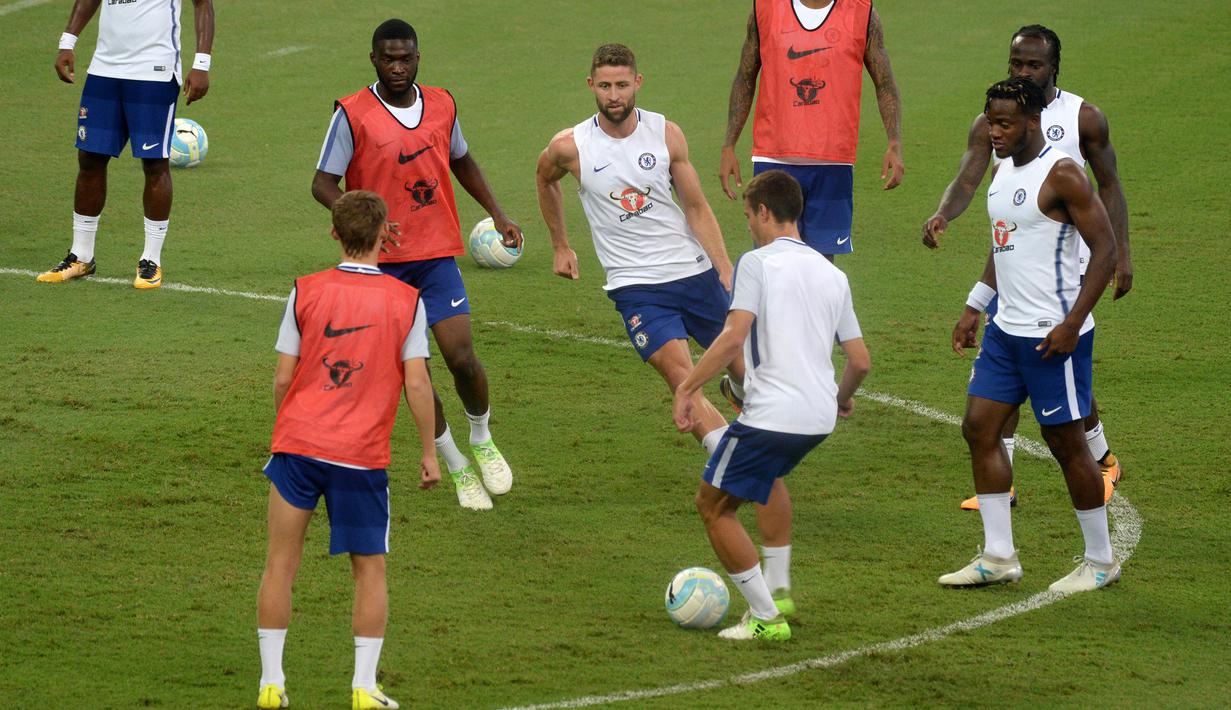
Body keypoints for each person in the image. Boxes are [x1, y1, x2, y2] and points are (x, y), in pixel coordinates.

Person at [312, 19, 520, 511]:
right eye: (389, 58)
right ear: (374, 60)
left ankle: (482, 438)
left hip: (435, 256)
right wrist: (367, 221)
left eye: (406, 58)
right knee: (416, 374)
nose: (398, 67)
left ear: (418, 58)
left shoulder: (442, 104)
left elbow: (461, 160)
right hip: (380, 267)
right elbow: (322, 183)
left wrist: (498, 212)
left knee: (463, 358)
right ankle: (456, 466)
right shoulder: (353, 113)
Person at [923, 25, 1131, 511]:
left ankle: (1099, 461)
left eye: (1033, 65)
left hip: (1073, 261)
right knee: (1022, 365)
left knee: (1056, 369)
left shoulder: (1083, 117)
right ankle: (1010, 481)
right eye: (1016, 64)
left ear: (1054, 67)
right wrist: (943, 215)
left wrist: (1122, 253)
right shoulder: (997, 119)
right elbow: (968, 177)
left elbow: (1110, 186)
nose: (1023, 72)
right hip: (1018, 252)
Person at [937, 78, 1122, 594]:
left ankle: (1101, 560)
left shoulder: (1063, 174)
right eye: (990, 121)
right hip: (1006, 331)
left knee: (1066, 445)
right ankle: (998, 555)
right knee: (979, 427)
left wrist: (1072, 322)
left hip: (1052, 336)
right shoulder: (1001, 174)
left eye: (1004, 123)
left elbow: (1104, 250)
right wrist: (975, 306)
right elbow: (1005, 247)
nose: (993, 132)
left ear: (1034, 122)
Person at [255, 191, 439, 710]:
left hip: (297, 448)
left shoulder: (304, 290)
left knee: (279, 565)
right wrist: (428, 452)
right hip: (359, 458)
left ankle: (272, 684)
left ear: (334, 233)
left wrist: (288, 427)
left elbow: (283, 377)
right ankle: (363, 688)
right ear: (385, 234)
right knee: (370, 570)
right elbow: (419, 386)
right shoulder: (406, 301)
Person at [674, 169, 870, 641]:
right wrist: (839, 400)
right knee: (766, 479)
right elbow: (860, 361)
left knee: (713, 507)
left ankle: (765, 616)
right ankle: (778, 587)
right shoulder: (833, 273)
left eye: (747, 215)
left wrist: (688, 388)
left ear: (763, 211)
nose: (747, 225)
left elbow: (732, 337)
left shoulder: (757, 263)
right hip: (818, 418)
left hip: (773, 415)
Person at [535, 43, 741, 455]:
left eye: (623, 85)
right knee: (682, 379)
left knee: (751, 376)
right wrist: (561, 245)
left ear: (638, 83)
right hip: (636, 287)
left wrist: (724, 266)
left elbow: (696, 207)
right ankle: (734, 462)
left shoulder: (666, 134)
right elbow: (545, 179)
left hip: (693, 272)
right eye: (606, 86)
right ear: (591, 85)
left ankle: (736, 386)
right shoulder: (570, 146)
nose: (615, 95)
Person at [38, 0, 215, 289]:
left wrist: (201, 64)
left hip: (154, 71)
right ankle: (81, 256)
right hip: (105, 67)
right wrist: (68, 41)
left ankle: (151, 260)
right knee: (90, 158)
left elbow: (203, 4)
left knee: (155, 163)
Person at [718, 0, 903, 262]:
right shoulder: (766, 9)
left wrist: (894, 142)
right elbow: (745, 77)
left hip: (832, 162)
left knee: (820, 266)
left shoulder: (862, 13)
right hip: (773, 158)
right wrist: (729, 145)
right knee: (772, 263)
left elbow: (885, 83)